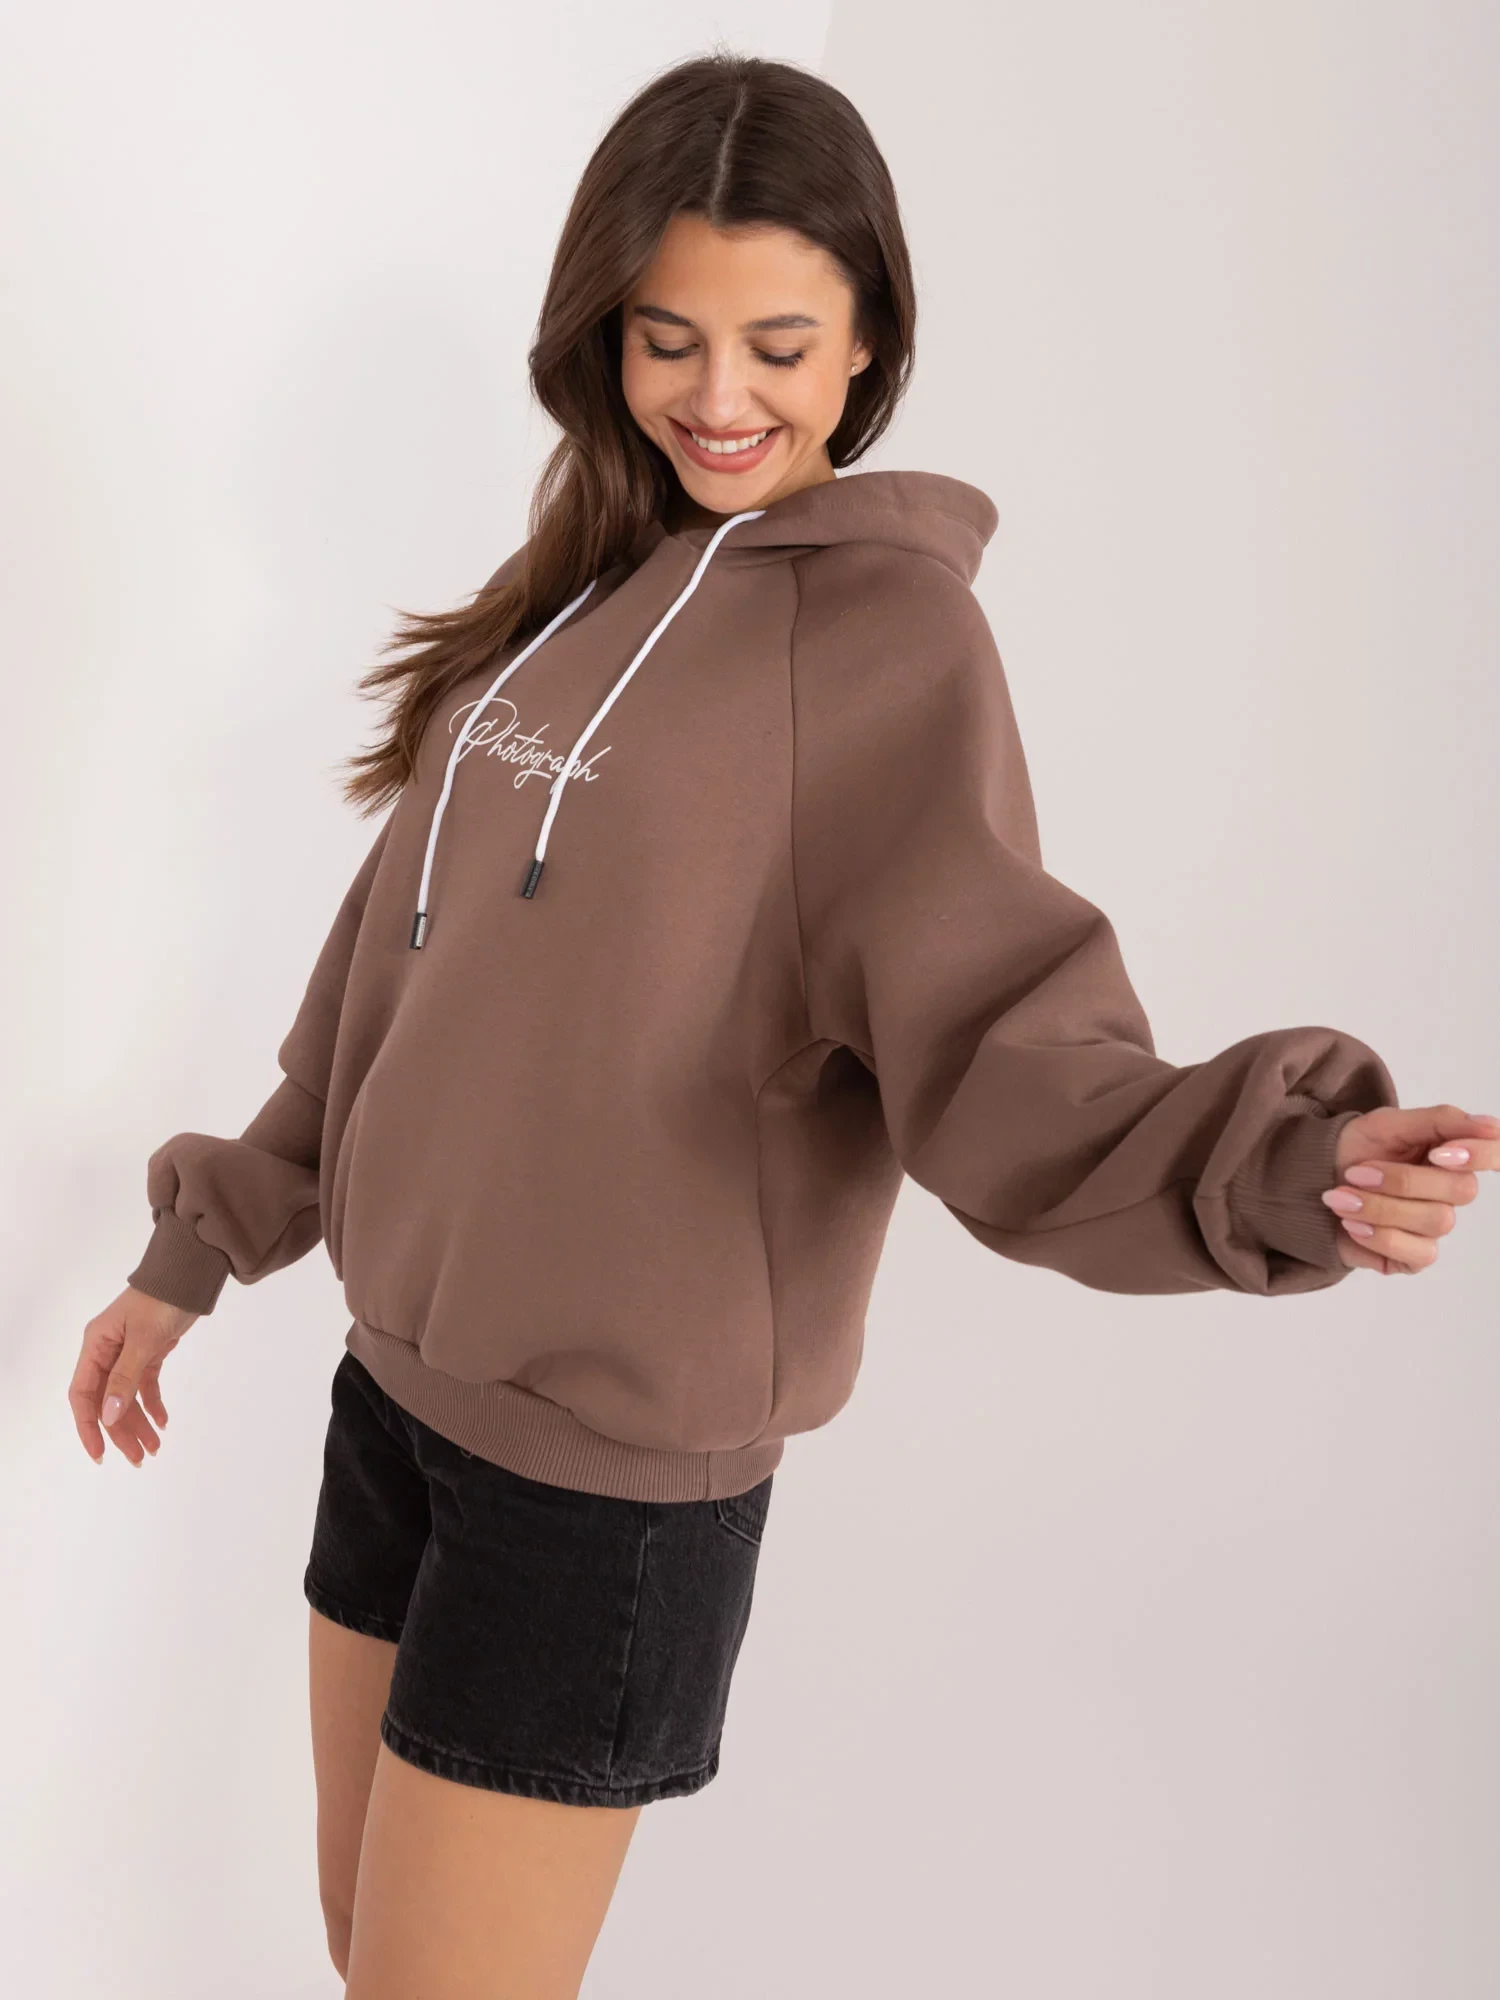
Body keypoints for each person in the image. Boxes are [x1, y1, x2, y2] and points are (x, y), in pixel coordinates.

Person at [69, 48, 1494, 2000]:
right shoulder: (588, 589)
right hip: (393, 1402)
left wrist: (1289, 1163)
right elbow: (388, 982)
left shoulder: (891, 644)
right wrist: (201, 1248)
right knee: (359, 1951)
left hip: (597, 1496)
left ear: (871, 341)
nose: (718, 396)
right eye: (668, 339)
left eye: (778, 344)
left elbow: (1006, 1035)